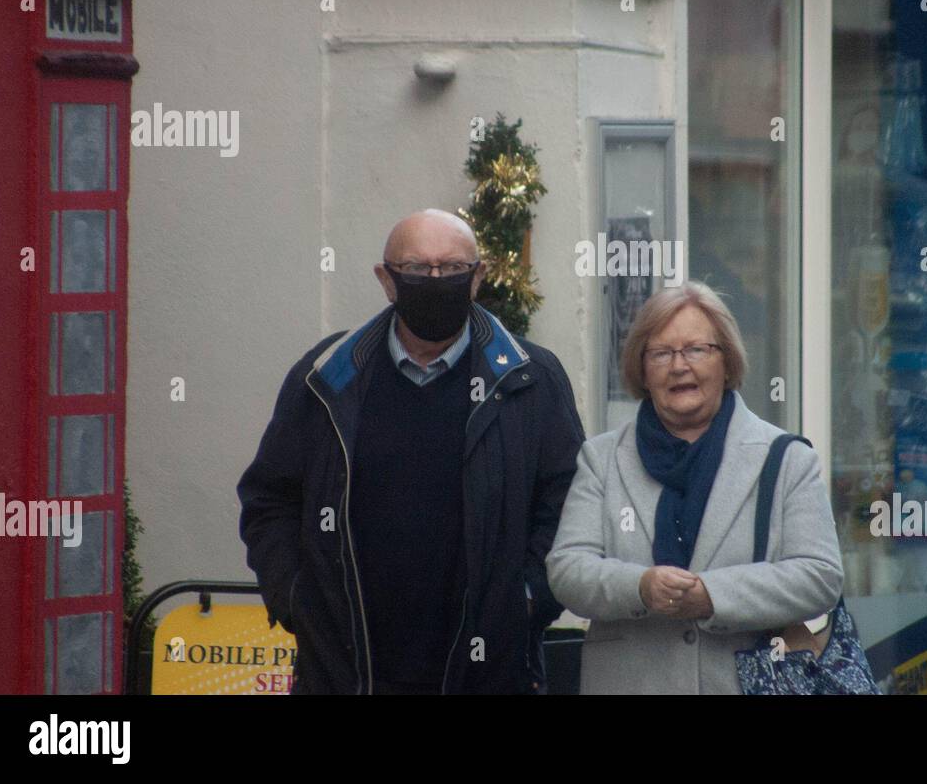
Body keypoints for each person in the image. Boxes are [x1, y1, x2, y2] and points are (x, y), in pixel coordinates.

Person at [237, 209, 583, 694]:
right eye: (418, 269)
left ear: (479, 276)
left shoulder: (530, 380)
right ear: (386, 279)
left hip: (488, 672)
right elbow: (269, 499)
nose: (436, 280)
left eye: (454, 268)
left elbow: (569, 505)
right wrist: (297, 599)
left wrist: (525, 601)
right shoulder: (327, 378)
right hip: (347, 671)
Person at [546, 281, 844, 694]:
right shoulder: (602, 459)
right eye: (661, 353)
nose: (678, 365)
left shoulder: (786, 459)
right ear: (642, 371)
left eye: (696, 350)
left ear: (727, 363)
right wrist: (640, 587)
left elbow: (820, 576)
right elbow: (567, 571)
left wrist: (712, 596)